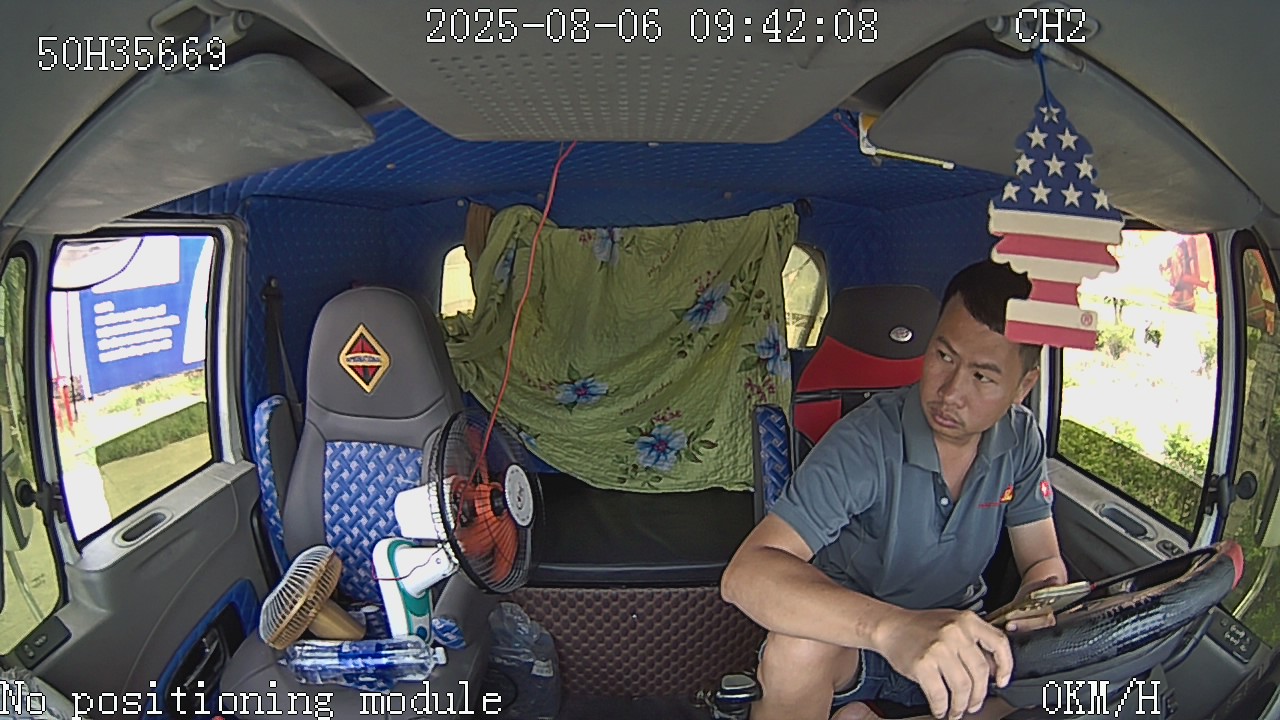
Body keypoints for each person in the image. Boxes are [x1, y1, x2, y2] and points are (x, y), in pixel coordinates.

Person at [720, 260, 1069, 720]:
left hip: (961, 638)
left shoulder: (1020, 439)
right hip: (857, 641)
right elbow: (745, 575)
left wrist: (1038, 603)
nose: (950, 392)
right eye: (943, 356)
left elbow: (1042, 560)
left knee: (1077, 690)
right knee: (795, 651)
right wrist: (892, 629)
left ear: (1023, 386)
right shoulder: (866, 441)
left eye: (982, 377)